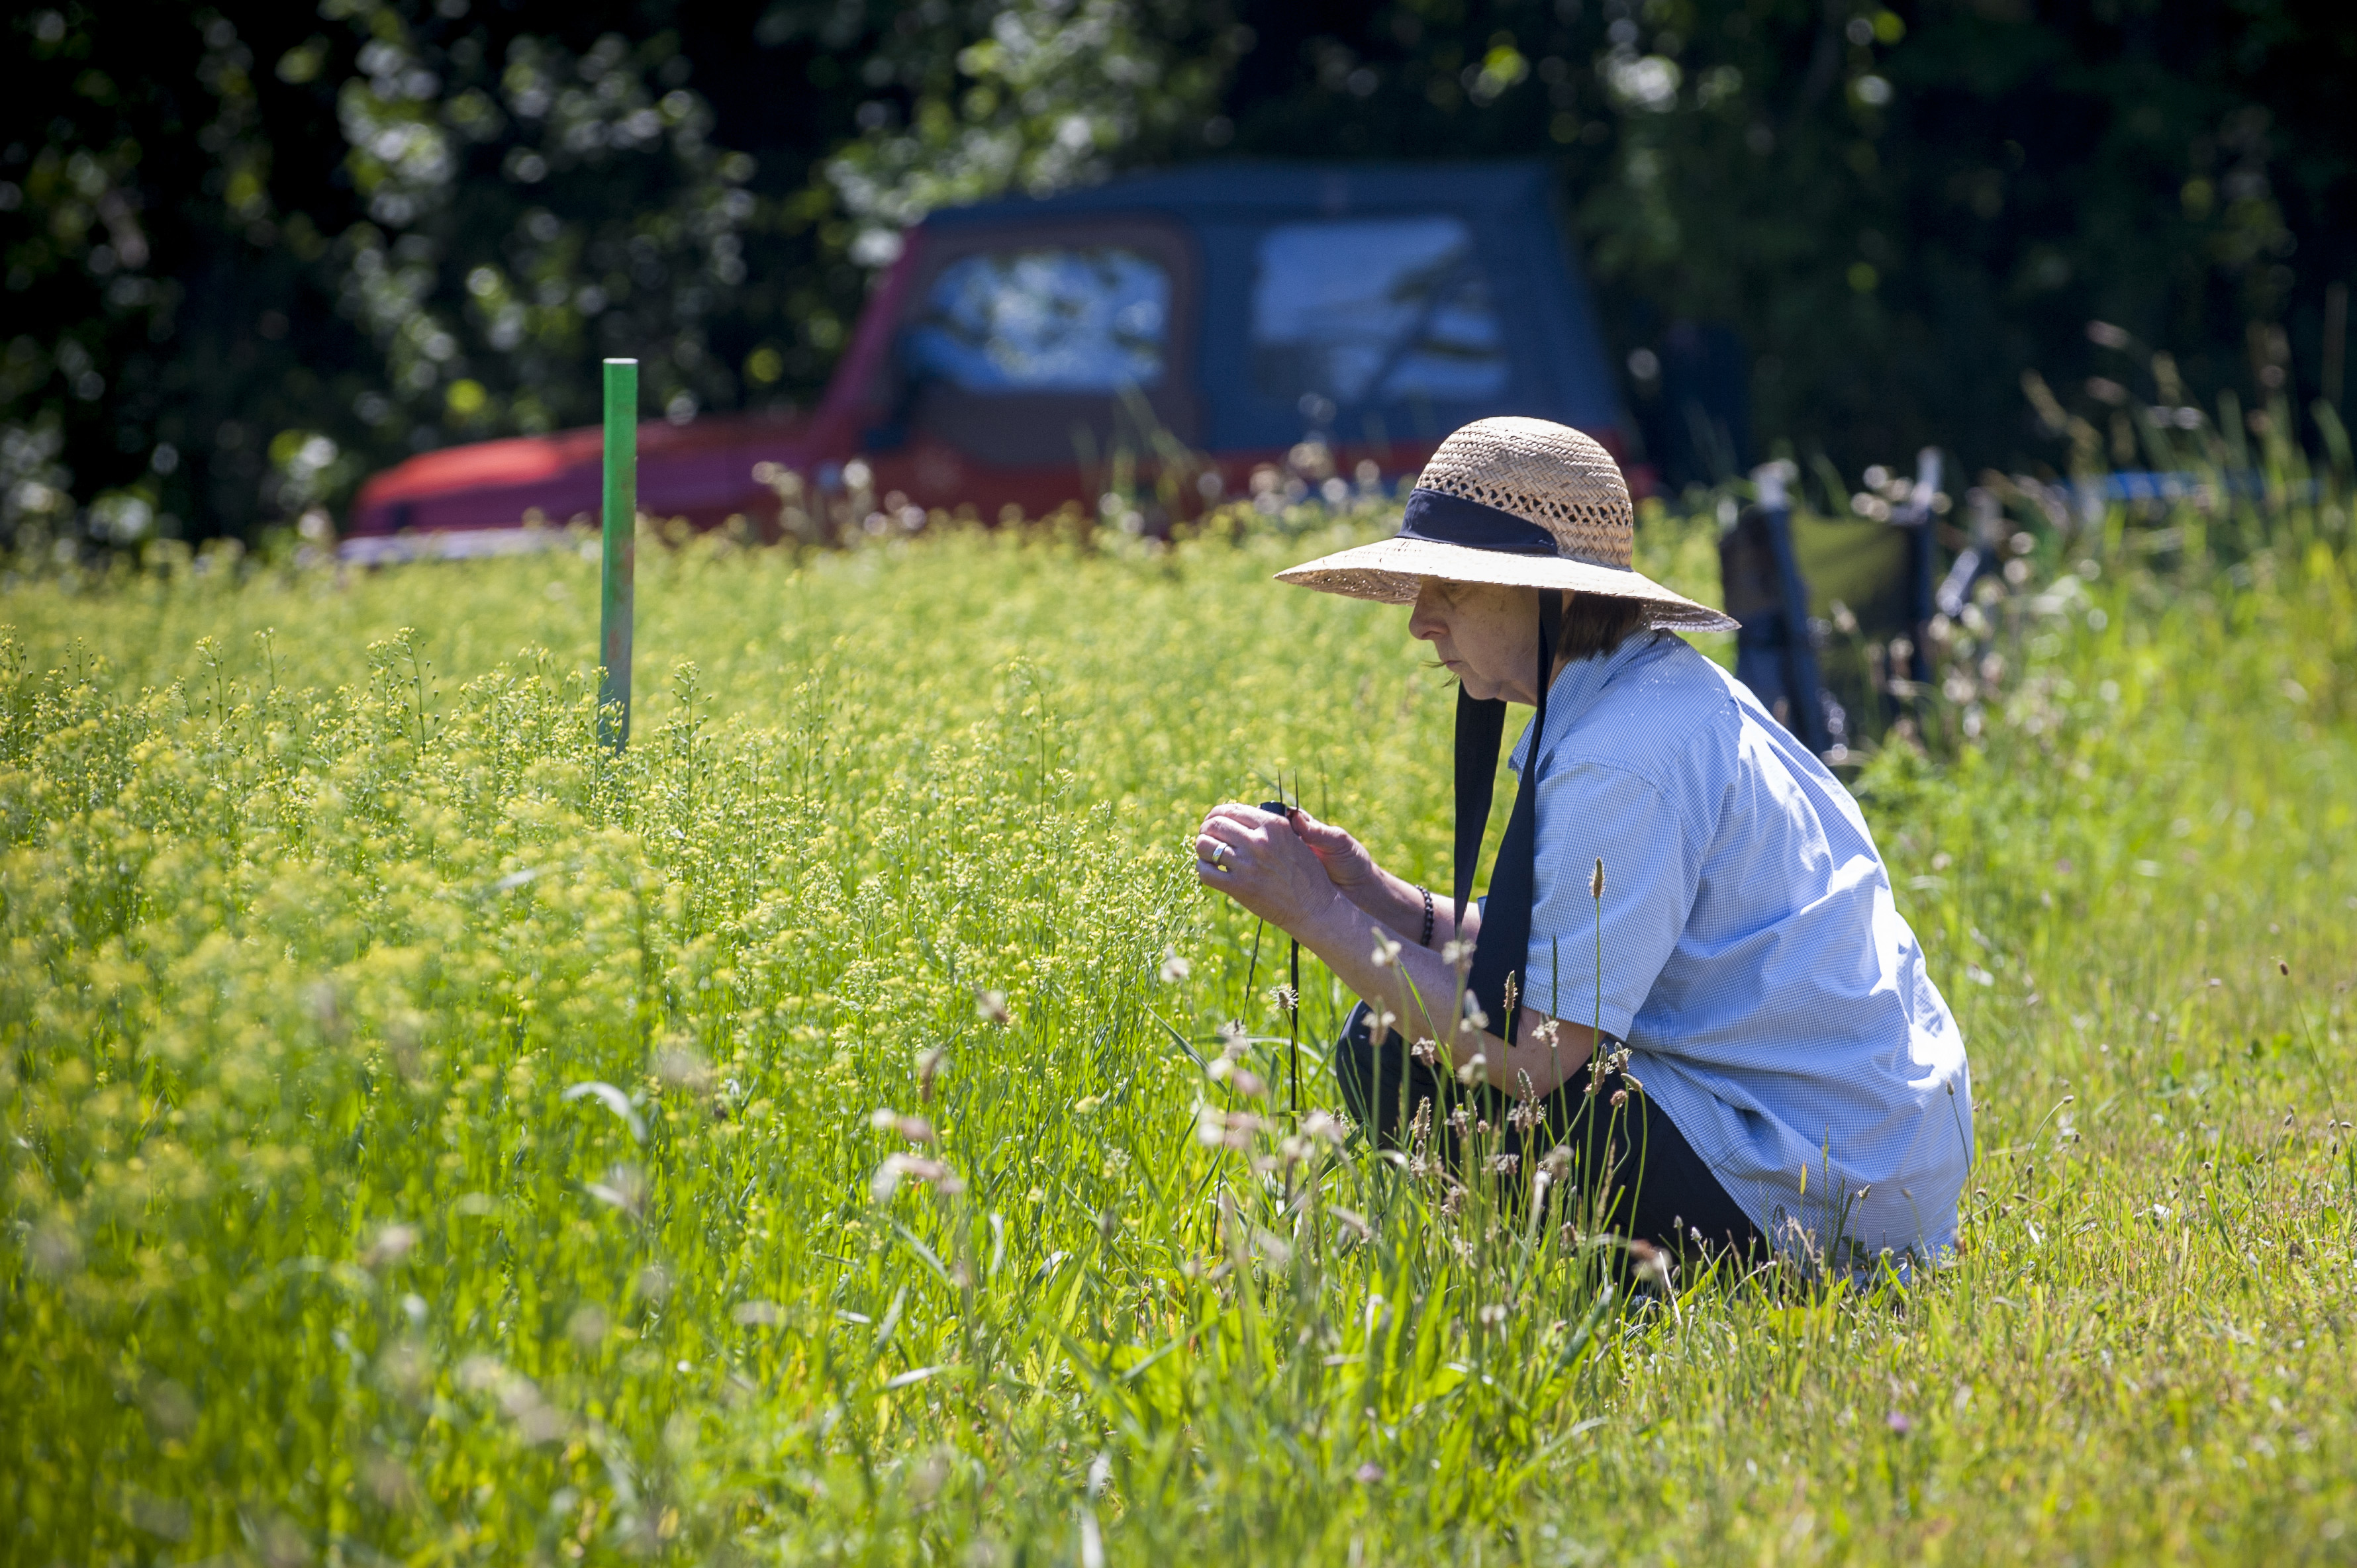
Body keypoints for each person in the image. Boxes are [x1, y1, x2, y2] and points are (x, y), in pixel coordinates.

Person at [1194, 416, 1972, 1271]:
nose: (1421, 621)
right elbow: (1551, 965)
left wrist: (1314, 915)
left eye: (1448, 586)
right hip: (1864, 1144)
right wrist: (1374, 894)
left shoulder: (1622, 755)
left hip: (1829, 1183)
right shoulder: (1643, 696)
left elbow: (1532, 1054)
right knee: (1402, 1023)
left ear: (1548, 595)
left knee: (1394, 1050)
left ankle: (1593, 1292)